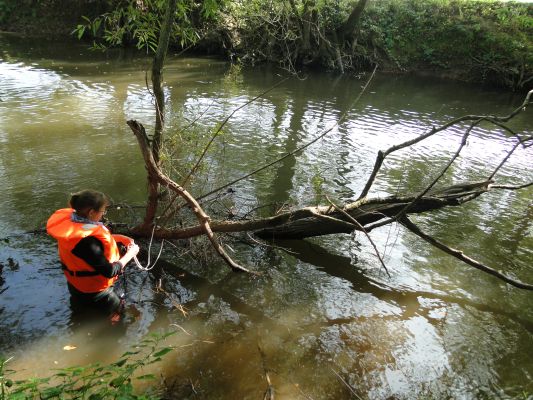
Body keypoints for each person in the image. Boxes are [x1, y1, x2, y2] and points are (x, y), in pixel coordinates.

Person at [47, 189, 140, 316]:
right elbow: (109, 271)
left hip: (75, 286)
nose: (103, 214)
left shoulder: (72, 224)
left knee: (80, 315)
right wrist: (131, 253)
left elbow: (88, 246)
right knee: (119, 318)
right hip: (96, 292)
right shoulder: (88, 242)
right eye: (102, 211)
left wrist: (118, 238)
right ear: (91, 212)